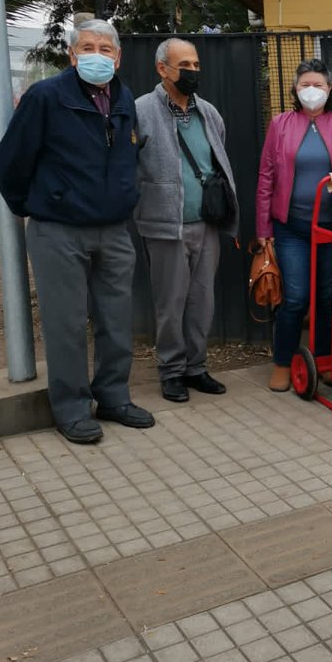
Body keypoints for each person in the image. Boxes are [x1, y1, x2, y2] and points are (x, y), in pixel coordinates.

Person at [0, 18, 154, 444]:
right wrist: (37, 207)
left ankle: (114, 396)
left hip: (114, 229)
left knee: (116, 320)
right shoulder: (46, 96)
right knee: (64, 324)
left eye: (105, 49)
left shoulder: (124, 100)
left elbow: (128, 160)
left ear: (118, 58)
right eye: (87, 47)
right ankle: (71, 407)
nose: (96, 55)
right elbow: (10, 163)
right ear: (71, 54)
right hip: (58, 230)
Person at [135, 38, 239, 404]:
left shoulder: (208, 112)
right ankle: (171, 371)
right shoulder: (142, 111)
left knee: (202, 301)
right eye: (185, 65)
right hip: (166, 225)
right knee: (170, 303)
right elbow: (130, 165)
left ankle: (196, 367)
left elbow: (217, 157)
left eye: (196, 64)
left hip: (206, 224)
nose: (193, 71)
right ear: (162, 69)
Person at [255, 59, 332, 392]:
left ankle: (324, 360)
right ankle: (283, 363)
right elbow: (266, 177)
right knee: (296, 298)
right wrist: (263, 230)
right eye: (305, 85)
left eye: (318, 85)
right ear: (295, 89)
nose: (312, 91)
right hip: (292, 228)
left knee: (329, 297)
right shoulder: (281, 124)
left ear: (330, 89)